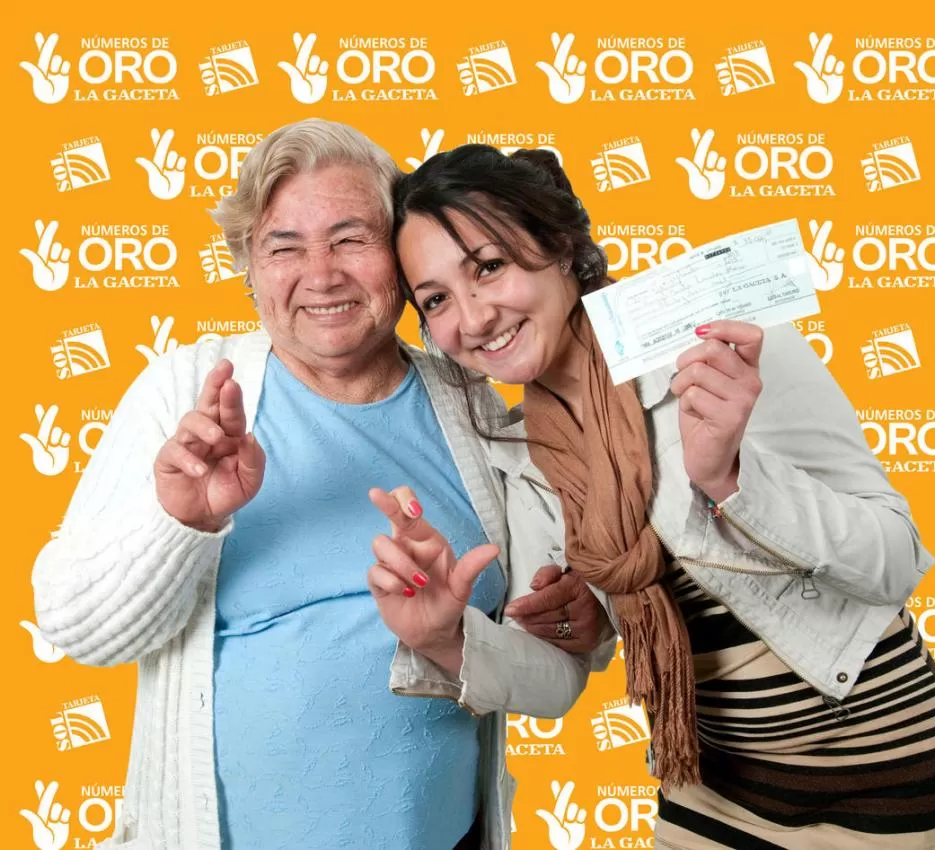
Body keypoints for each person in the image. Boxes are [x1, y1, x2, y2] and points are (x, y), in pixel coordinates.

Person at [29, 120, 612, 850]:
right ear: (248, 266)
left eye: (350, 238)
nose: (322, 273)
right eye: (283, 246)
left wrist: (583, 621)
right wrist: (178, 520)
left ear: (399, 261)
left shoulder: (473, 401)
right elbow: (75, 627)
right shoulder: (184, 392)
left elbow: (547, 644)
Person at [391, 143, 935, 848]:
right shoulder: (524, 457)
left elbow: (897, 560)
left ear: (562, 249)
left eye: (489, 266)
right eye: (436, 301)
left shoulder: (717, 355)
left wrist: (731, 479)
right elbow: (558, 683)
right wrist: (447, 637)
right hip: (708, 790)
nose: (473, 317)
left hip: (887, 781)